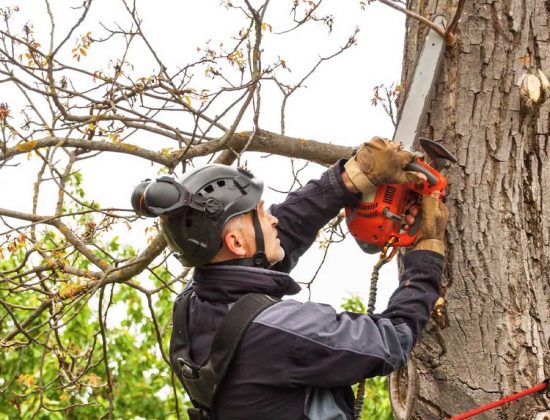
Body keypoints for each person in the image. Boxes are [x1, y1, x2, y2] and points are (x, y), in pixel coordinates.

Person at [131, 137, 448, 420]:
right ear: (237, 243)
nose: (272, 220)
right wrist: (426, 256)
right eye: (260, 212)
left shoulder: (193, 305)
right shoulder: (282, 331)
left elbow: (284, 232)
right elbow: (389, 341)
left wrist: (346, 181)